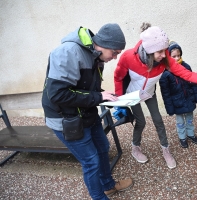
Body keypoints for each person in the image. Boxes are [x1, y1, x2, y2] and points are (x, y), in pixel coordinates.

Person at [113, 23, 197, 169]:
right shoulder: (127, 57)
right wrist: (120, 101)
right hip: (132, 95)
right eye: (160, 52)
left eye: (165, 51)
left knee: (158, 121)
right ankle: (135, 147)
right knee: (141, 122)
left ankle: (165, 149)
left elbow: (187, 74)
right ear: (149, 50)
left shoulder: (164, 59)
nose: (165, 55)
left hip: (149, 93)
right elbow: (118, 78)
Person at [42, 23, 133, 200]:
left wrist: (107, 96)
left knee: (103, 148)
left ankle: (108, 186)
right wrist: (99, 97)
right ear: (104, 45)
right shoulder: (68, 52)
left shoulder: (97, 58)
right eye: (114, 53)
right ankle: (99, 197)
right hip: (66, 119)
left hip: (86, 113)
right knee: (91, 161)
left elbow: (86, 90)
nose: (114, 58)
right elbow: (58, 94)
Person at [159, 41, 197, 148]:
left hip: (189, 99)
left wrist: (196, 96)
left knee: (189, 120)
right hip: (177, 102)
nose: (177, 58)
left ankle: (191, 134)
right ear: (168, 57)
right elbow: (166, 93)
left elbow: (193, 82)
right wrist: (169, 108)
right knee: (180, 122)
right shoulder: (166, 73)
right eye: (174, 56)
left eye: (179, 55)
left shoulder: (186, 66)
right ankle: (182, 137)